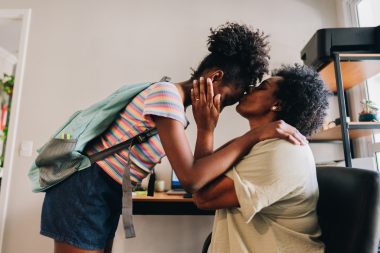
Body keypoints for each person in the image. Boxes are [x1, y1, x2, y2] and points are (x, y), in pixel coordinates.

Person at [35, 22, 308, 253]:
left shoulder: (176, 109)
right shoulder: (166, 96)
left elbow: (200, 173)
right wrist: (255, 134)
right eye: (227, 99)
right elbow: (191, 177)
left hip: (105, 192)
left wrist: (209, 130)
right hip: (86, 187)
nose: (222, 108)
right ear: (215, 77)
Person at [193, 64, 331, 253]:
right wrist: (254, 135)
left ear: (277, 104)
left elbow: (203, 196)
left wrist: (205, 129)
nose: (250, 89)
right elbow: (203, 174)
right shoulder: (258, 144)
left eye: (261, 87)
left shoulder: (284, 151)